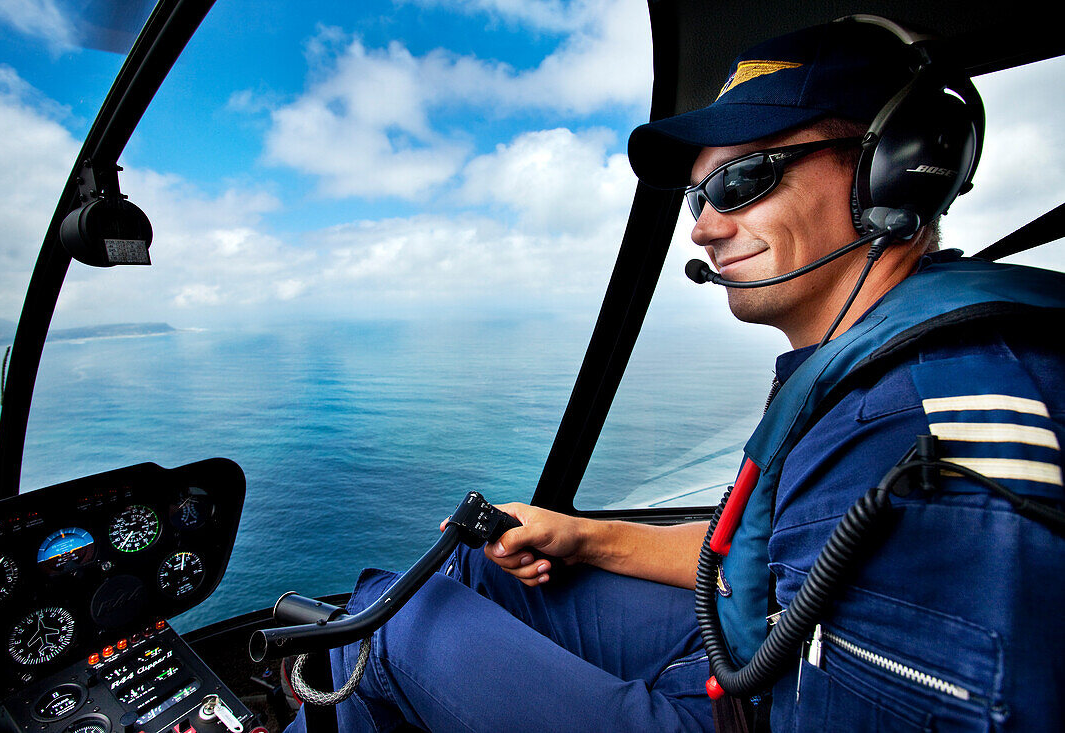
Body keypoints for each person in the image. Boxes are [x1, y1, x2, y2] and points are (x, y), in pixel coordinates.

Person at [285, 18, 1065, 732]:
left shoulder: (925, 422)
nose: (703, 225)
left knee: (385, 628)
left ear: (895, 170)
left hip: (753, 703)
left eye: (741, 181)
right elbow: (773, 557)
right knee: (464, 573)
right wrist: (585, 535)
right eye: (701, 193)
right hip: (746, 644)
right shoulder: (865, 372)